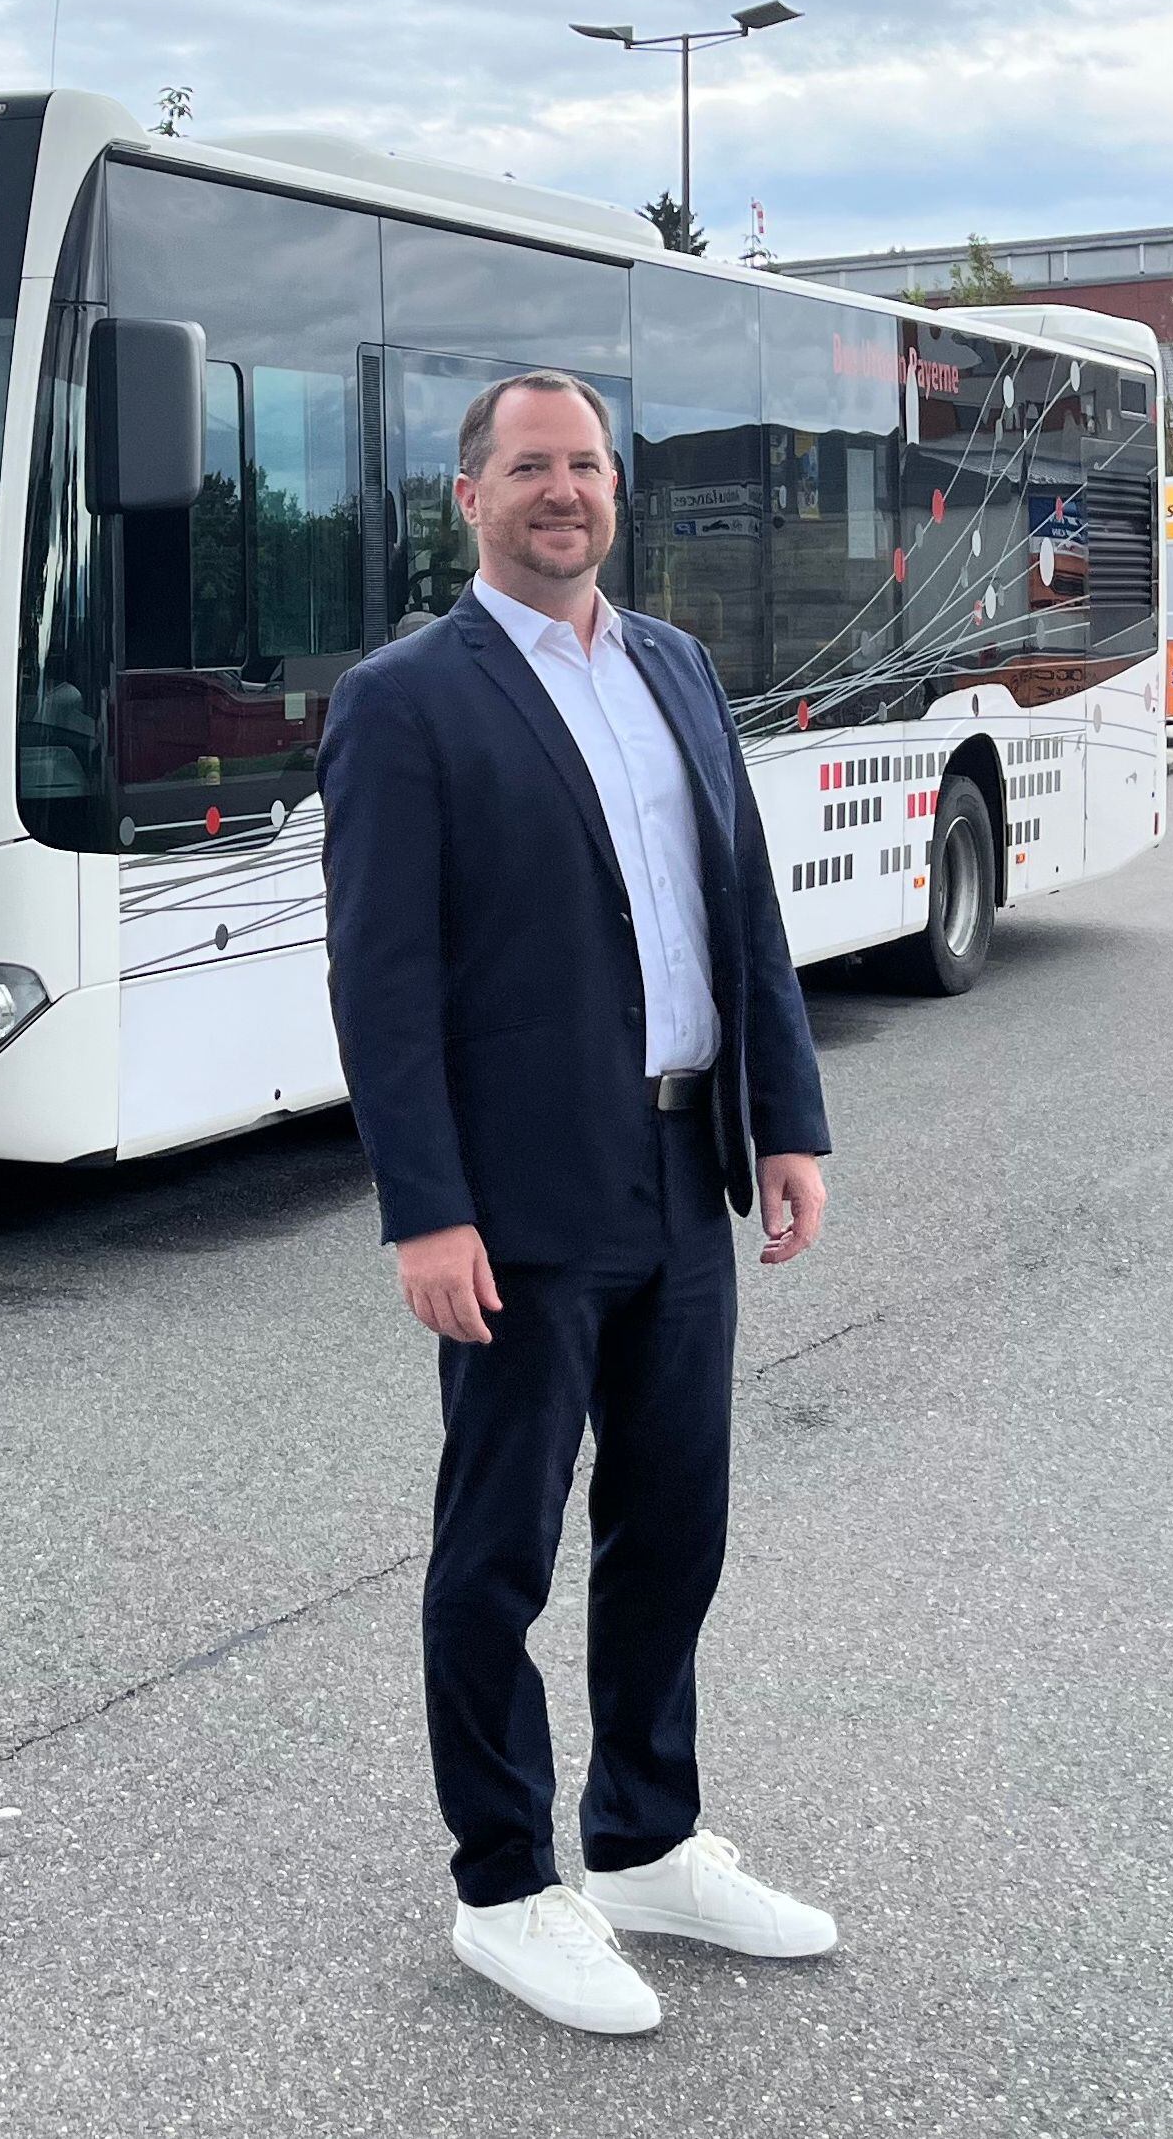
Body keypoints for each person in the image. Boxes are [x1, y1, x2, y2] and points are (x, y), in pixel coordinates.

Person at [316, 371, 837, 2040]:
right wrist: (424, 1208)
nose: (563, 489)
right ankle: (502, 1882)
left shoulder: (675, 664)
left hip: (686, 1171)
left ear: (618, 489)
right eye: (529, 464)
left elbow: (738, 910)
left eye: (587, 462)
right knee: (497, 1552)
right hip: (522, 1199)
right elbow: (380, 981)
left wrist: (787, 1121)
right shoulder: (405, 699)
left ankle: (644, 1835)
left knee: (675, 1524)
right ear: (467, 494)